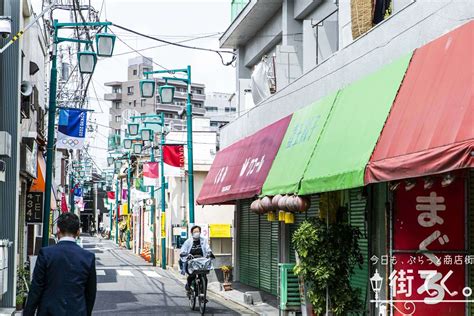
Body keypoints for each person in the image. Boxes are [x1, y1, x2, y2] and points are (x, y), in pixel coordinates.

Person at [24, 213, 97, 316]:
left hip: (49, 312)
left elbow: (36, 288)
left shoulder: (46, 254)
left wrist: (28, 313)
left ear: (58, 230)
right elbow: (90, 294)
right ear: (78, 232)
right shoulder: (88, 257)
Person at [179, 225, 214, 294]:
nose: (196, 233)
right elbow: (183, 250)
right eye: (195, 231)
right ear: (192, 233)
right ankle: (188, 286)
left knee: (204, 277)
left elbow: (207, 248)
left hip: (201, 261)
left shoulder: (203, 240)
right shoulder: (188, 241)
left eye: (198, 231)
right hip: (191, 261)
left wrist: (209, 252)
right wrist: (185, 254)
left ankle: (203, 293)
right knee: (192, 275)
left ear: (200, 232)